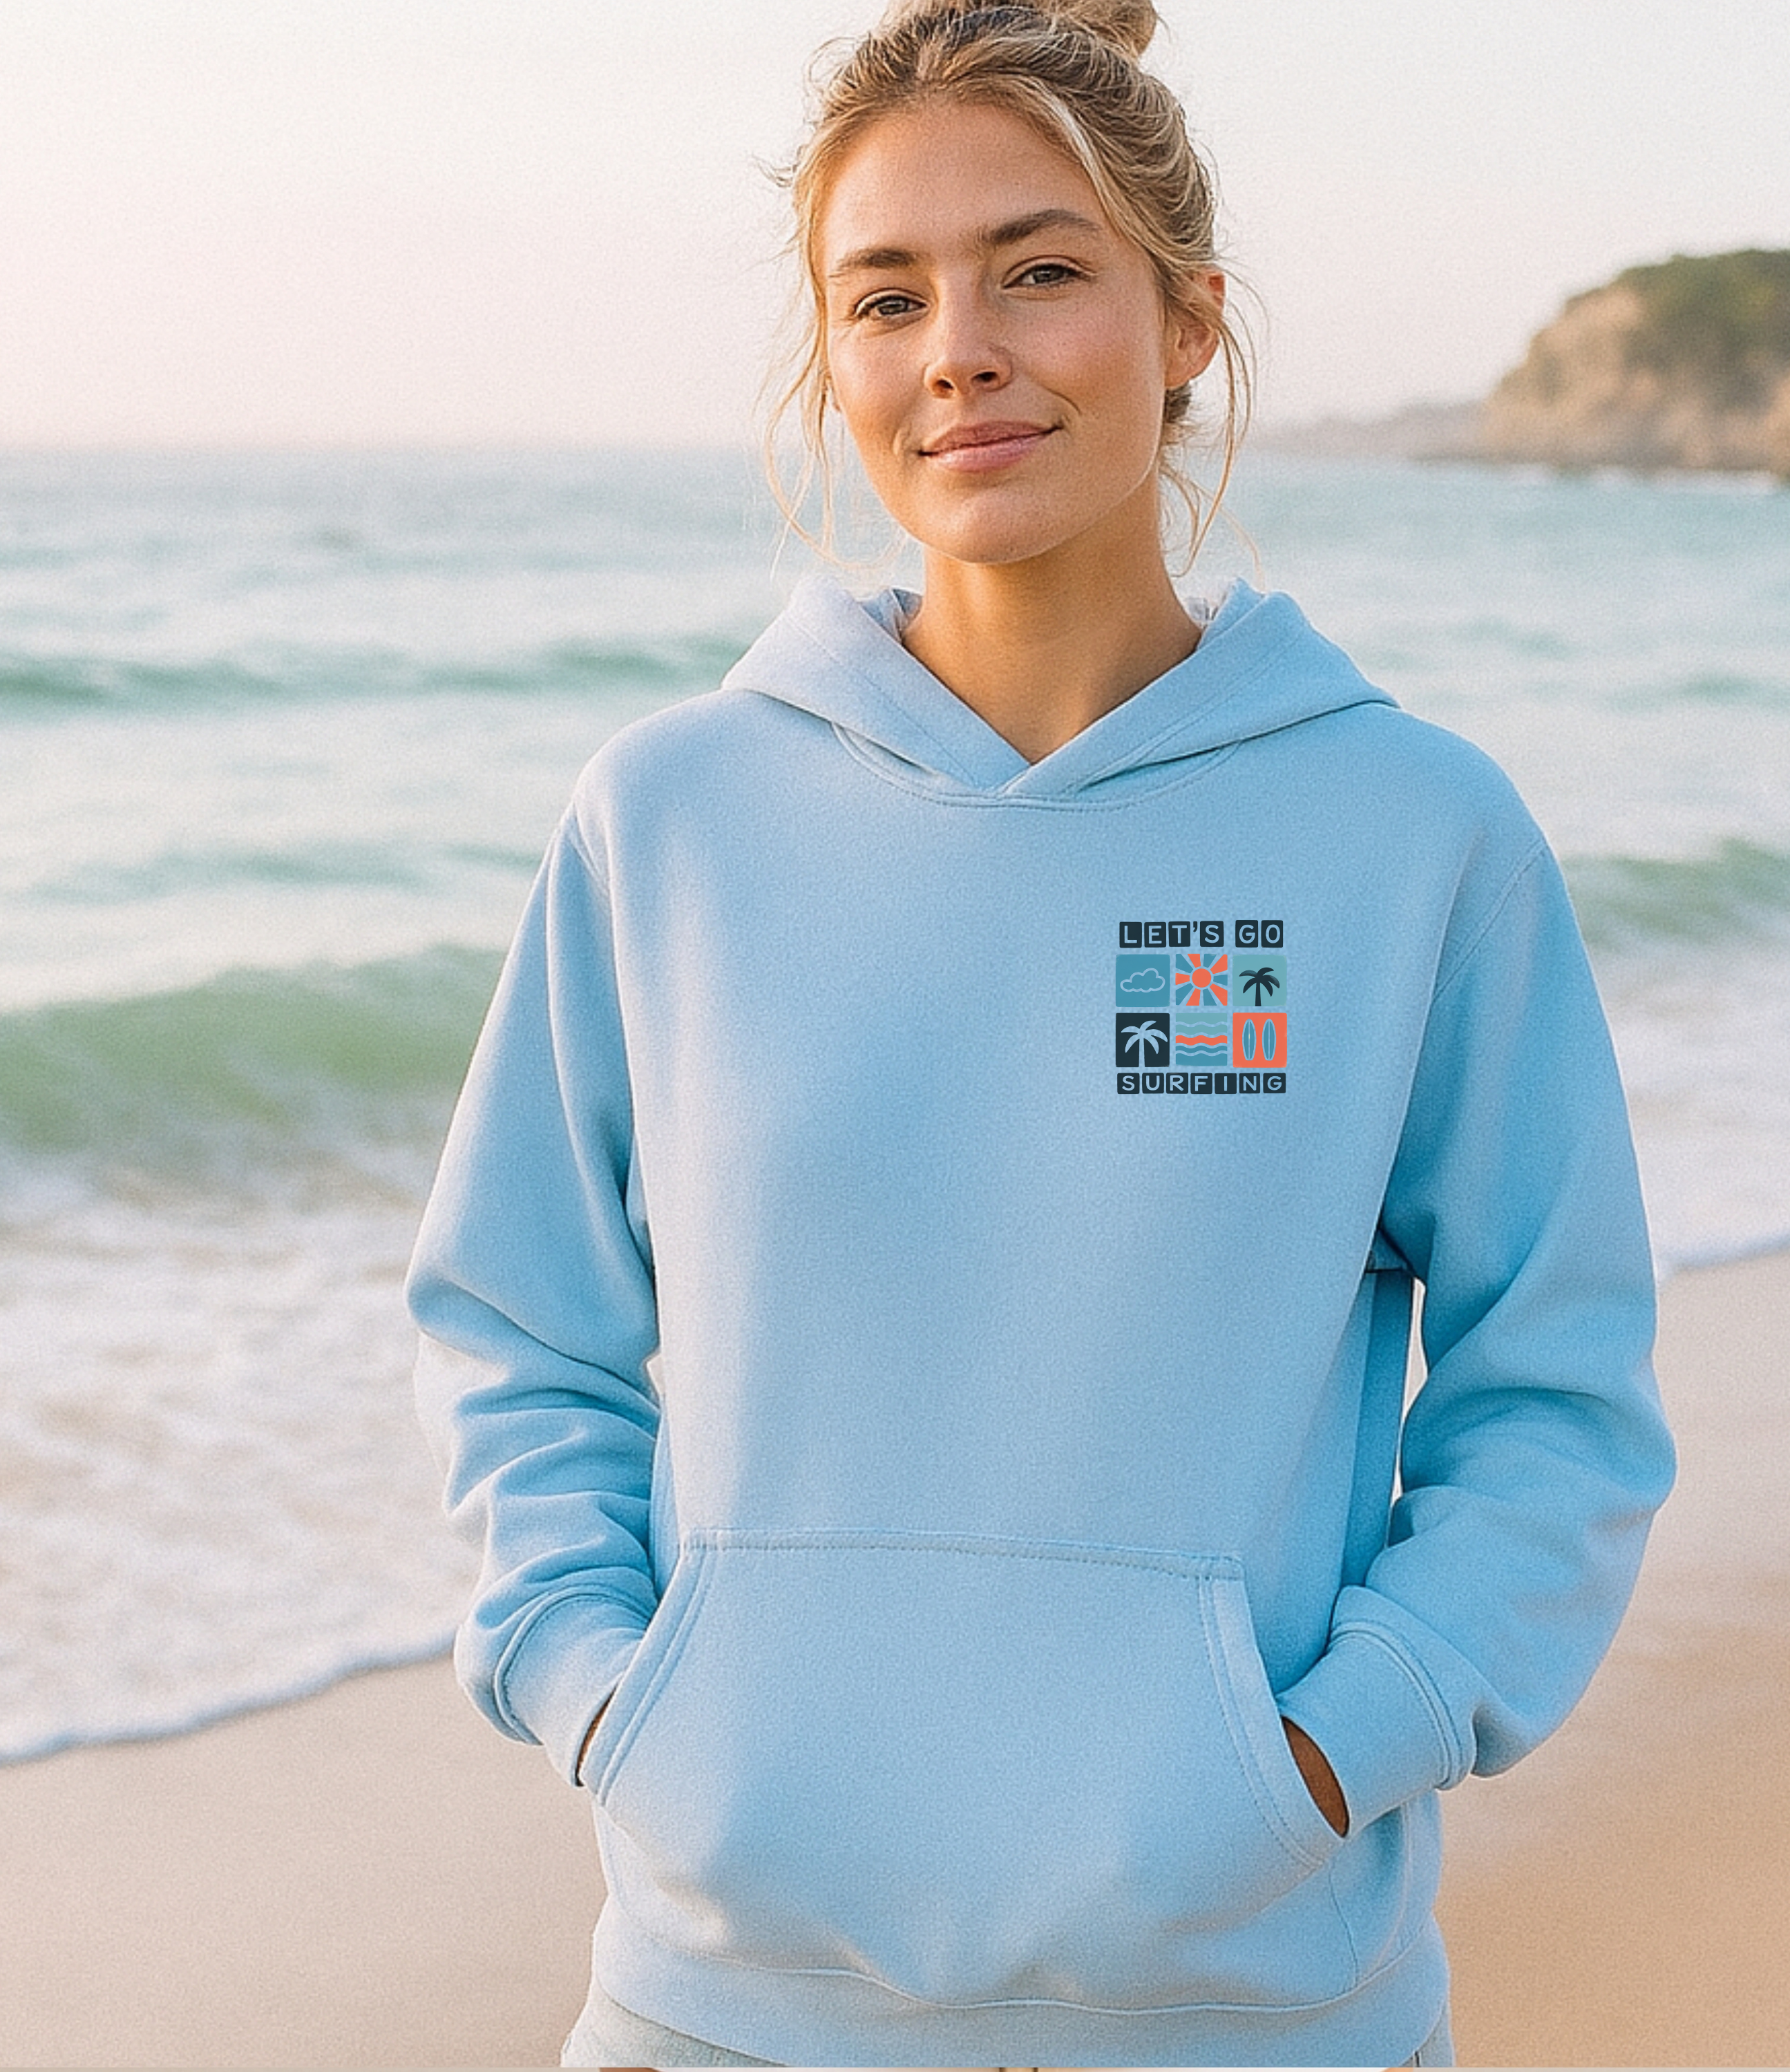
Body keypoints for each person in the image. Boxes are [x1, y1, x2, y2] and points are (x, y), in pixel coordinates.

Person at [408, 3, 1676, 2065]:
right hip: (723, 2007)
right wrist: (607, 1691)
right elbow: (516, 1328)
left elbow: (1560, 1383)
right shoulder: (671, 819)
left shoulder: (1409, 830)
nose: (958, 351)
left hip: (1257, 2007)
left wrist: (1337, 1752)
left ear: (1189, 323)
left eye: (1042, 271)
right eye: (885, 296)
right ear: (834, 363)